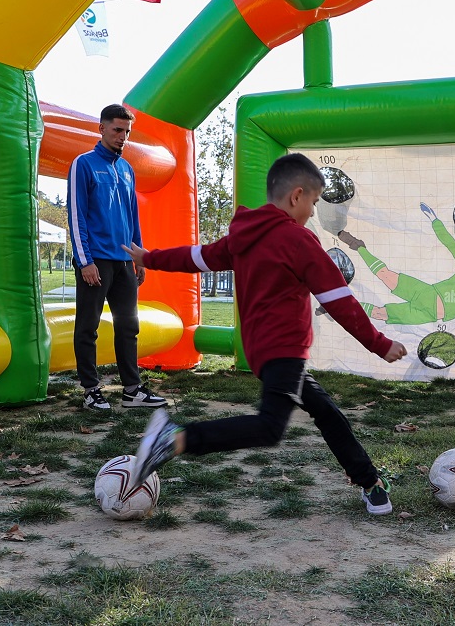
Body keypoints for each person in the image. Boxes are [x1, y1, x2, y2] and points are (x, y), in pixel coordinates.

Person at [123, 153, 407, 515]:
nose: (312, 212)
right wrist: (380, 345)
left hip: (264, 351)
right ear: (297, 196)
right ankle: (174, 439)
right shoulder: (299, 241)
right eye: (314, 203)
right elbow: (339, 301)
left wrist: (151, 258)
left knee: (326, 412)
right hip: (284, 349)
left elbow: (197, 257)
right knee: (270, 428)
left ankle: (369, 481)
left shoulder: (243, 237)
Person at [68, 104, 166, 412]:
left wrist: (138, 257)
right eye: (117, 130)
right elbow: (76, 215)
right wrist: (84, 261)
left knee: (128, 326)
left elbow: (133, 215)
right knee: (88, 327)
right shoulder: (83, 164)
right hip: (95, 261)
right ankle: (90, 391)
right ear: (101, 128)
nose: (122, 137)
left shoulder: (126, 169)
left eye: (126, 132)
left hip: (124, 262)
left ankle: (132, 390)